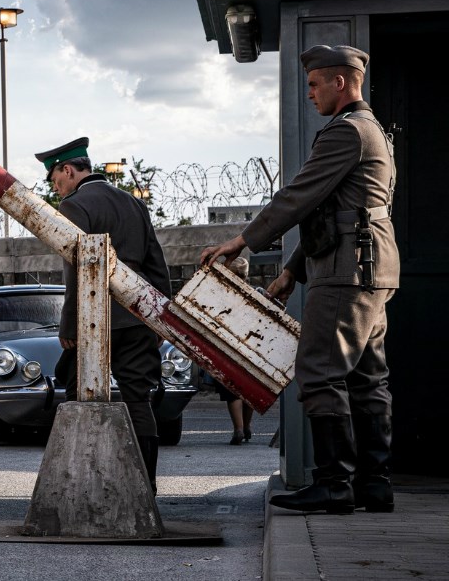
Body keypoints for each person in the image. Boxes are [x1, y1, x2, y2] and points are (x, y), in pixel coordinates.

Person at [201, 45, 397, 515]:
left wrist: (242, 241)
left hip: (345, 272)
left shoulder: (346, 133)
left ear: (341, 83)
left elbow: (299, 198)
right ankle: (374, 484)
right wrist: (292, 270)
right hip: (369, 270)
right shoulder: (375, 134)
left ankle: (334, 485)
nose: (309, 93)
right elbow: (338, 210)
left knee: (318, 373)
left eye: (314, 84)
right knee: (369, 379)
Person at [38, 136, 171, 490]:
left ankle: (81, 484)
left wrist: (69, 325)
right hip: (138, 318)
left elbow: (75, 272)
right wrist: (160, 320)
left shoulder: (74, 206)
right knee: (138, 400)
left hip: (95, 321)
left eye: (55, 179)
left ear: (68, 170)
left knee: (78, 396)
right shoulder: (133, 203)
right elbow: (157, 265)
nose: (56, 187)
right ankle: (146, 486)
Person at [219, 258, 257, 446]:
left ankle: (238, 429)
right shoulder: (254, 293)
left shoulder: (222, 294)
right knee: (248, 389)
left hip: (229, 348)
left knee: (232, 391)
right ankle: (248, 426)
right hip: (252, 348)